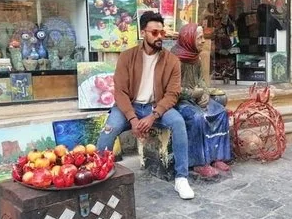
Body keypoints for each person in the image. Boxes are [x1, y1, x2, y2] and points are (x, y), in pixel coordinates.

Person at [97, 11, 195, 200]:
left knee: (178, 122)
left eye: (162, 33)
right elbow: (120, 92)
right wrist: (133, 119)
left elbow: (172, 94)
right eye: (154, 33)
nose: (160, 37)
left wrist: (154, 115)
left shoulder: (172, 61)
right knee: (109, 130)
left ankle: (181, 178)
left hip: (155, 107)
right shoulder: (127, 57)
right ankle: (100, 178)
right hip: (129, 107)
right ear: (143, 33)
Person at [171, 23, 233, 179]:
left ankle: (217, 157)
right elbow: (173, 89)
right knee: (197, 118)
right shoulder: (175, 60)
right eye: (199, 38)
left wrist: (204, 93)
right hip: (180, 102)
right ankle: (198, 162)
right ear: (189, 39)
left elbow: (201, 80)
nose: (203, 41)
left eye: (203, 37)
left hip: (196, 98)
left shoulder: (195, 58)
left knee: (220, 112)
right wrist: (192, 94)